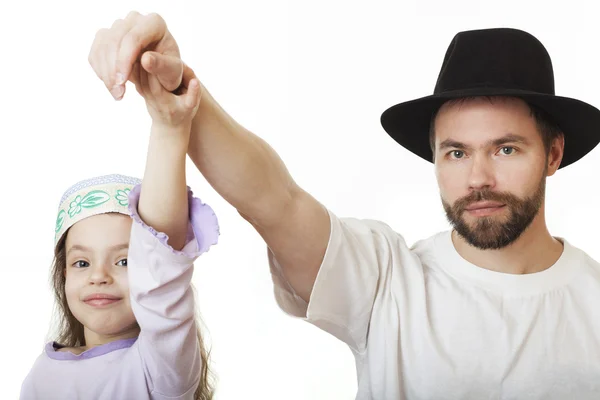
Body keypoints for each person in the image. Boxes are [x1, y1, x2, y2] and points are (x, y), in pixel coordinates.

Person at [89, 12, 600, 399]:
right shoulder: (385, 278)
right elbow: (274, 200)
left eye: (506, 149)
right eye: (456, 152)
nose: (477, 179)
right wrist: (178, 93)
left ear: (553, 153)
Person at [20, 43, 219, 400]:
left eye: (124, 260)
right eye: (81, 262)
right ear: (63, 274)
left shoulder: (160, 370)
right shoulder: (41, 374)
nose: (99, 276)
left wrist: (169, 126)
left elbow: (163, 275)